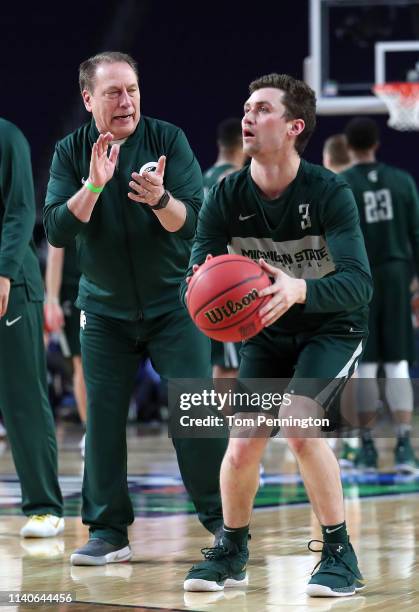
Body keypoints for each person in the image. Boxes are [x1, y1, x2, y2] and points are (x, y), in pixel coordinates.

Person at [182, 73, 372, 597]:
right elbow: (197, 273)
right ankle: (232, 549)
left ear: (293, 127)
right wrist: (199, 297)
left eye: (262, 108)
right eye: (246, 106)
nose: (248, 115)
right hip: (266, 332)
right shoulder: (224, 195)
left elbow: (359, 284)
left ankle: (340, 554)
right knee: (242, 444)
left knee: (298, 424)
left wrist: (299, 290)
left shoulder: (330, 191)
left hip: (333, 325)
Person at [43, 51, 227, 565]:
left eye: (132, 90)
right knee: (101, 420)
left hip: (175, 303)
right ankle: (108, 532)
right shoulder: (70, 151)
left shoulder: (168, 139)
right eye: (113, 93)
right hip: (103, 311)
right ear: (88, 100)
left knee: (194, 414)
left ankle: (223, 524)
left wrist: (161, 199)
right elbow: (58, 228)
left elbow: (192, 222)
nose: (126, 102)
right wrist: (95, 185)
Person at [342, 116, 419, 473]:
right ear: (377, 143)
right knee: (398, 363)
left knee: (367, 366)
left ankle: (368, 447)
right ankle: (404, 446)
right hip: (397, 274)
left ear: (348, 146)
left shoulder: (342, 185)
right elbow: (416, 235)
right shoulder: (402, 181)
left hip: (361, 278)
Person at [0, 118, 64, 537]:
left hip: (11, 286)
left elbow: (21, 208)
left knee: (22, 398)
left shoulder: (7, 136)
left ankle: (45, 507)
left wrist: (3, 272)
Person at [323, 133, 360, 469]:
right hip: (371, 287)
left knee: (340, 370)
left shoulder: (331, 189)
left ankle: (341, 441)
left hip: (340, 289)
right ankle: (356, 442)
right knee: (365, 368)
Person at [203, 118, 246, 379]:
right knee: (230, 364)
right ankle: (226, 421)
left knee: (222, 360)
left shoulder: (202, 177)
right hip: (231, 280)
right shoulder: (235, 179)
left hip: (205, 278)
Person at [44, 243, 87, 455]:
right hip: (75, 287)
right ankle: (92, 431)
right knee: (83, 362)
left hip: (118, 285)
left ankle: (199, 437)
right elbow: (56, 245)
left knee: (191, 368)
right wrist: (51, 298)